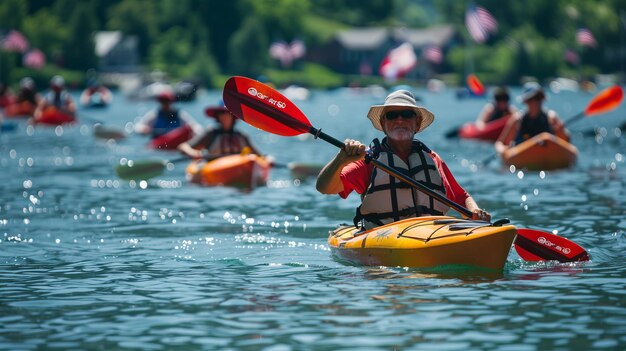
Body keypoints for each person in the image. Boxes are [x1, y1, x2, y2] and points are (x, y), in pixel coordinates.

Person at [316, 90, 491, 230]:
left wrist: (474, 211)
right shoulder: (369, 160)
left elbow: (461, 197)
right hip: (384, 235)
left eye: (407, 114)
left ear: (417, 122)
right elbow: (324, 188)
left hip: (431, 232)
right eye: (392, 115)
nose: (400, 119)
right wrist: (341, 159)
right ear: (384, 123)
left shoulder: (432, 158)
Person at [495, 82, 569, 155]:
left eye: (538, 98)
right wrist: (502, 150)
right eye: (531, 99)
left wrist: (561, 131)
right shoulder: (517, 119)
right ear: (526, 101)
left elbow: (565, 142)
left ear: (542, 98)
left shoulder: (552, 117)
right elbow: (500, 143)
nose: (536, 102)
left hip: (546, 154)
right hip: (522, 156)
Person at [178, 101, 261, 158]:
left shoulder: (242, 137)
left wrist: (268, 159)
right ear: (217, 116)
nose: (225, 116)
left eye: (228, 113)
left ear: (233, 116)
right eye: (221, 113)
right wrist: (193, 153)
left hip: (238, 169)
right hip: (215, 168)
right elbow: (183, 146)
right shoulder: (211, 134)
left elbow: (259, 156)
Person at [134, 89, 202, 139]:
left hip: (176, 141)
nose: (165, 104)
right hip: (159, 142)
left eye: (167, 101)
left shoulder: (180, 114)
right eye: (163, 101)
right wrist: (144, 129)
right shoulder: (154, 115)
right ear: (160, 102)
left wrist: (195, 131)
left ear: (171, 102)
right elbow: (138, 126)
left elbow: (195, 126)